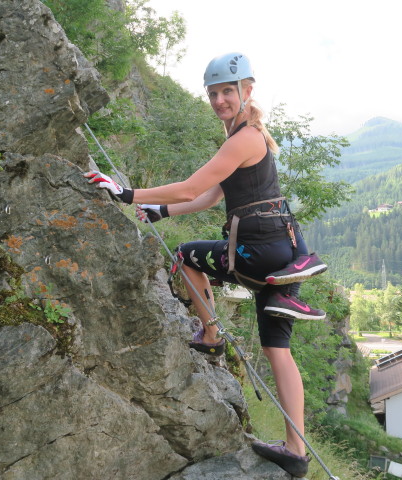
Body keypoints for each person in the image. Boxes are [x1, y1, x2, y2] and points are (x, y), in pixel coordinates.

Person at [83, 52, 324, 478]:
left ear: (246, 90)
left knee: (187, 255)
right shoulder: (248, 137)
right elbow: (213, 195)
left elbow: (194, 185)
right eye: (213, 93)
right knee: (278, 351)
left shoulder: (242, 139)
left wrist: (127, 193)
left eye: (227, 91)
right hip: (284, 254)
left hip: (256, 253)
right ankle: (295, 451)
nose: (219, 100)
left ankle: (211, 334)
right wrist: (161, 212)